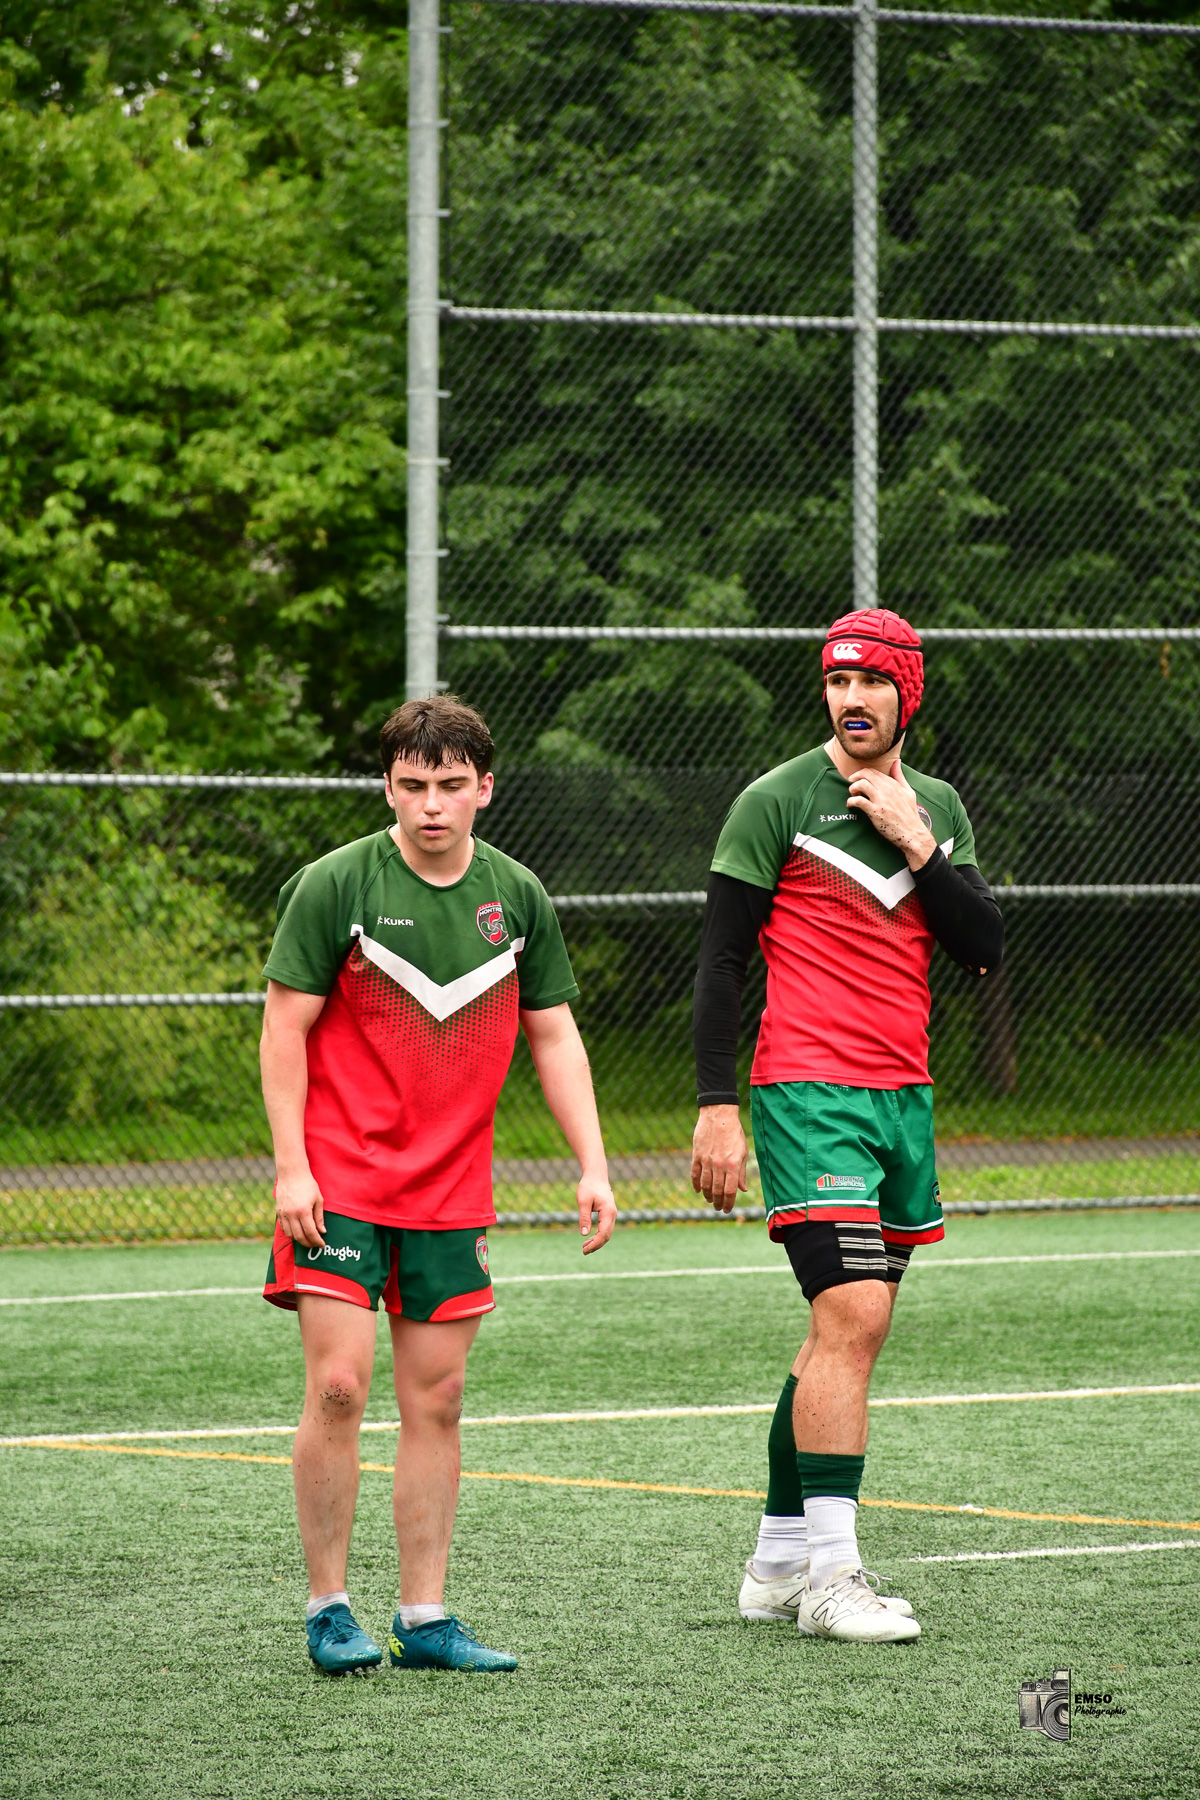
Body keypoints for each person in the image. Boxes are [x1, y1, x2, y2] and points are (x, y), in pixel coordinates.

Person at [260, 695, 617, 1675]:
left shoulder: (519, 898)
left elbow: (553, 1033)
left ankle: (424, 1618)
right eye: (412, 786)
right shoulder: (336, 886)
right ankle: (330, 1608)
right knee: (338, 1388)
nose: (430, 806)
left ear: (485, 789)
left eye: (450, 786)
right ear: (389, 787)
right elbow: (283, 1028)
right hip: (337, 1180)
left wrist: (592, 1162)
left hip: (452, 1191)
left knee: (441, 1398)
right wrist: (291, 1164)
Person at [690, 609, 1003, 1643]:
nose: (853, 700)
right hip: (806, 1094)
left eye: (873, 682)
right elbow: (722, 963)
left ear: (909, 693)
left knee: (841, 1331)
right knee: (856, 1315)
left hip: (900, 1101)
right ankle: (832, 1577)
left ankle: (777, 1563)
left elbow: (982, 949)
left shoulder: (941, 806)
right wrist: (717, 1105)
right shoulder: (775, 801)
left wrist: (920, 841)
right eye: (837, 683)